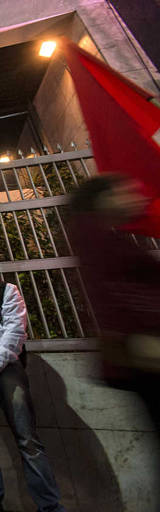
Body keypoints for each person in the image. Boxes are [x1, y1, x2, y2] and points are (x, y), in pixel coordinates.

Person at [0, 240, 66, 512]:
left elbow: (16, 331)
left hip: (5, 368)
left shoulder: (6, 290)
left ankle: (49, 506)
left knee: (27, 438)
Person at [68, 175, 160, 436]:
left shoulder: (111, 235)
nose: (137, 197)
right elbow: (110, 292)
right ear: (104, 199)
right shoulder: (93, 237)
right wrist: (137, 337)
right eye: (126, 192)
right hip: (145, 350)